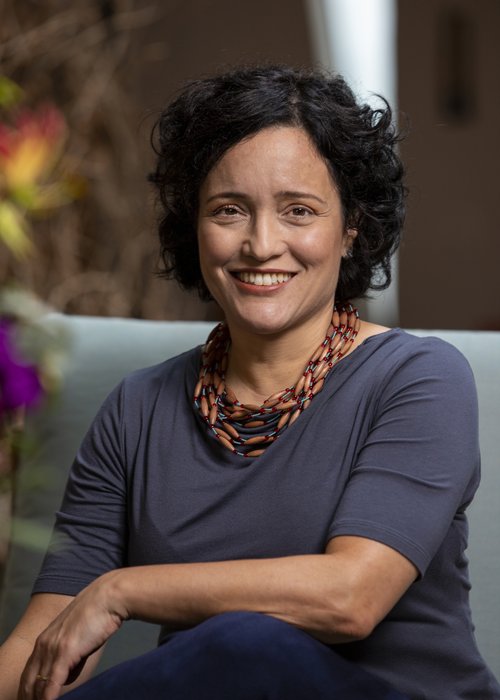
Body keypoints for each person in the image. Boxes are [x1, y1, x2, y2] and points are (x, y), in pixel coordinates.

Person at [1, 65, 499, 700]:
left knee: (243, 643)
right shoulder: (136, 409)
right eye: (229, 210)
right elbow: (40, 645)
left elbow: (351, 598)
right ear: (195, 227)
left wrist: (121, 590)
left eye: (299, 211)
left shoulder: (418, 378)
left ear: (351, 228)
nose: (262, 245)